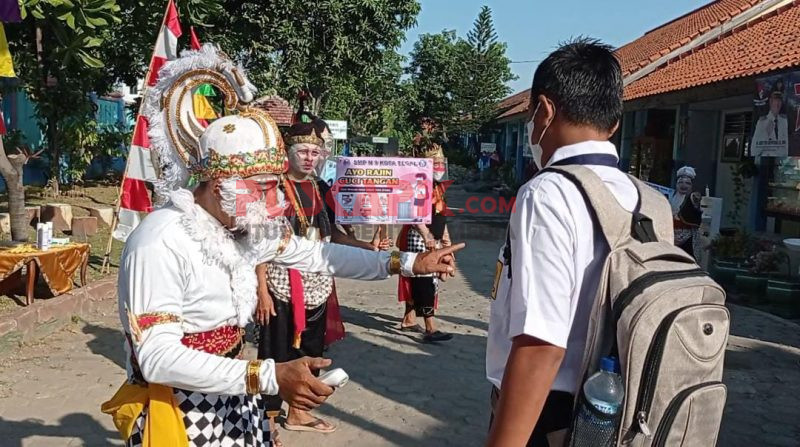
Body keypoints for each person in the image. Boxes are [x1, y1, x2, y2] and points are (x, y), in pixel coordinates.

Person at [101, 45, 463, 447]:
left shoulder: (243, 225)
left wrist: (410, 262)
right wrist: (270, 376)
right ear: (221, 182)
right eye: (264, 189)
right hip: (177, 409)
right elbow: (157, 358)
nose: (276, 204)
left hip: (234, 394)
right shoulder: (161, 240)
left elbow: (318, 254)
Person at [486, 38, 638, 446]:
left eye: (531, 116)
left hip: (549, 411)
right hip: (615, 410)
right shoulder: (644, 197)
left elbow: (541, 344)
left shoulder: (549, 193)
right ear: (614, 123)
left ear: (545, 110)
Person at [254, 116, 391, 444]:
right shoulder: (272, 188)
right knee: (274, 348)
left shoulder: (322, 188)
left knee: (312, 347)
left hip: (318, 281)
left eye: (315, 153)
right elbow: (258, 242)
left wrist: (368, 248)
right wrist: (261, 289)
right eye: (302, 150)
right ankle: (267, 417)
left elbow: (336, 237)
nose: (309, 158)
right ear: (289, 151)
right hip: (279, 281)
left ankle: (299, 411)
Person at [397, 136, 453, 343]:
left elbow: (441, 217)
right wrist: (426, 235)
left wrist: (447, 243)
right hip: (419, 238)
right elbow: (411, 213)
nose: (439, 166)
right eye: (434, 162)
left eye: (441, 162)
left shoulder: (438, 186)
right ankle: (430, 327)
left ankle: (409, 319)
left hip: (434, 238)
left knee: (427, 280)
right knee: (424, 281)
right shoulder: (416, 185)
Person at [670, 166, 702, 259]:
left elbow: (696, 199)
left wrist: (696, 198)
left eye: (687, 183)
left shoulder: (692, 197)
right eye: (680, 182)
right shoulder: (672, 197)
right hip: (671, 236)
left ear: (692, 186)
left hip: (687, 238)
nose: (683, 185)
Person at [752, 83, 789, 156]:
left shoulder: (784, 121)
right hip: (765, 162)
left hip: (781, 162)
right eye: (776, 100)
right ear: (771, 101)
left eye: (780, 101)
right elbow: (754, 151)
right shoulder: (762, 122)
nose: (778, 104)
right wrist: (766, 134)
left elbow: (785, 150)